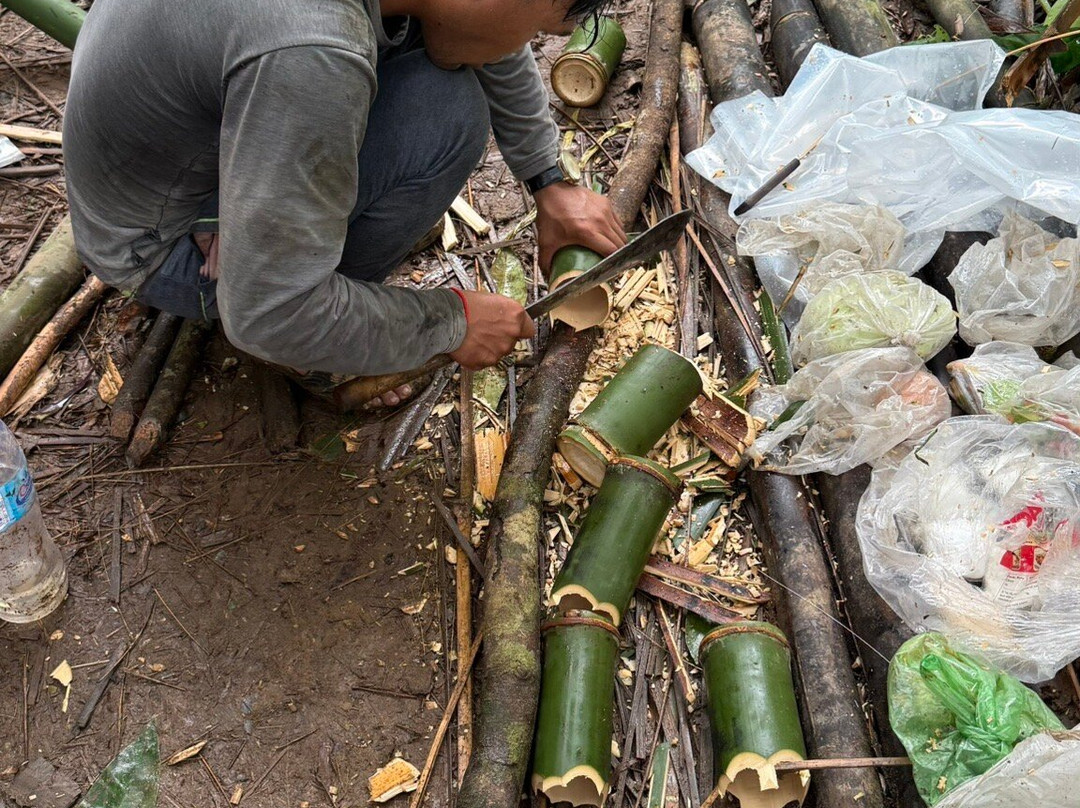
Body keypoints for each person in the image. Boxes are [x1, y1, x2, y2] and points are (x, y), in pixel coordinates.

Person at [63, 0, 627, 404]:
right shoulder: (313, 47)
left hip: (178, 160)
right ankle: (318, 354)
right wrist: (449, 322)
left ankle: (271, 234)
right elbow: (268, 312)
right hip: (158, 244)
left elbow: (482, 31)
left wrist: (548, 179)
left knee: (439, 70)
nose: (524, 45)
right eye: (546, 24)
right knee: (447, 117)